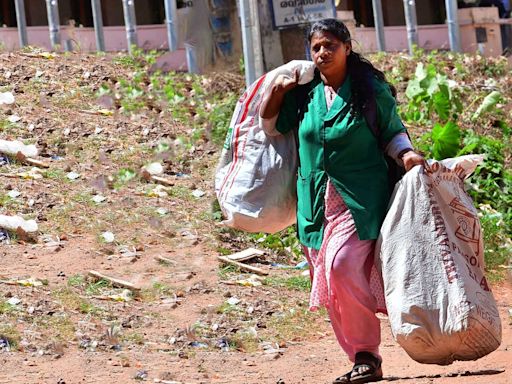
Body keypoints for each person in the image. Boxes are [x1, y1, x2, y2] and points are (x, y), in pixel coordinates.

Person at [260, 19, 426, 384]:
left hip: (360, 200)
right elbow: (271, 125)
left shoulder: (368, 90)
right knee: (331, 281)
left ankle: (367, 351)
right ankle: (361, 359)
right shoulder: (305, 95)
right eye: (316, 47)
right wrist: (279, 88)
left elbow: (392, 131)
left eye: (330, 45)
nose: (322, 53)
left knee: (341, 265)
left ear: (347, 47)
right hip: (314, 204)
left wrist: (407, 155)